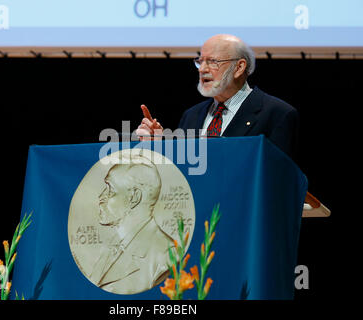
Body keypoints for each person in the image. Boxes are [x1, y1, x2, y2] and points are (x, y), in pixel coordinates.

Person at [136, 34, 299, 158]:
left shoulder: (277, 114)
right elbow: (181, 173)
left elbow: (280, 179)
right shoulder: (192, 115)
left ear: (239, 67)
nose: (202, 69)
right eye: (200, 61)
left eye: (212, 62)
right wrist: (158, 147)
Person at [89, 155, 174, 294]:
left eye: (110, 189)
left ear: (134, 197)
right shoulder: (111, 247)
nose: (101, 197)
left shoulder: (166, 255)